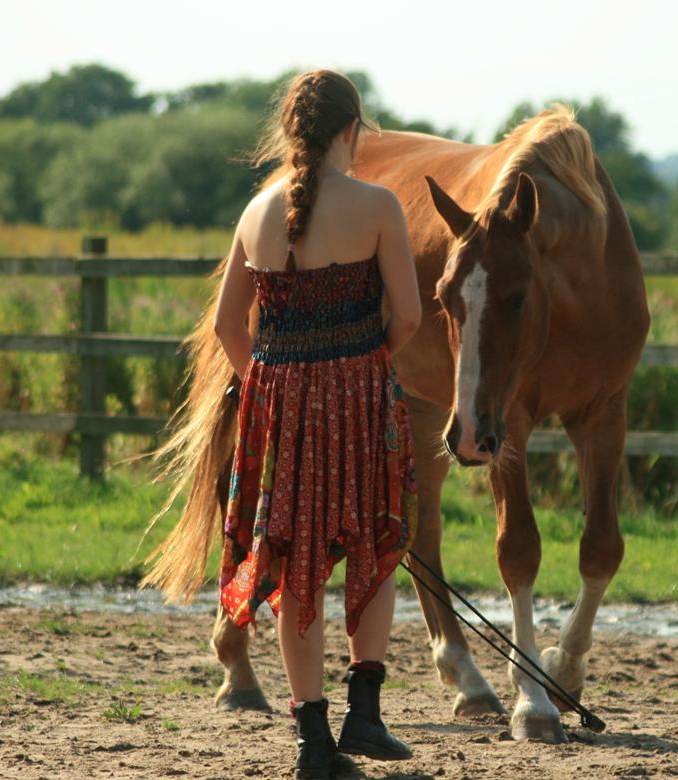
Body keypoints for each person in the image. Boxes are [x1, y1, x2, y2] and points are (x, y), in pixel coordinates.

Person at [212, 69, 421, 780]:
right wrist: (365, 366)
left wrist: (267, 387)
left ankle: (312, 743)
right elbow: (413, 315)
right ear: (349, 130)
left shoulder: (256, 214)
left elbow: (226, 327)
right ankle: (365, 709)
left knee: (291, 564)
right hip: (360, 400)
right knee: (372, 542)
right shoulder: (377, 205)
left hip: (282, 410)